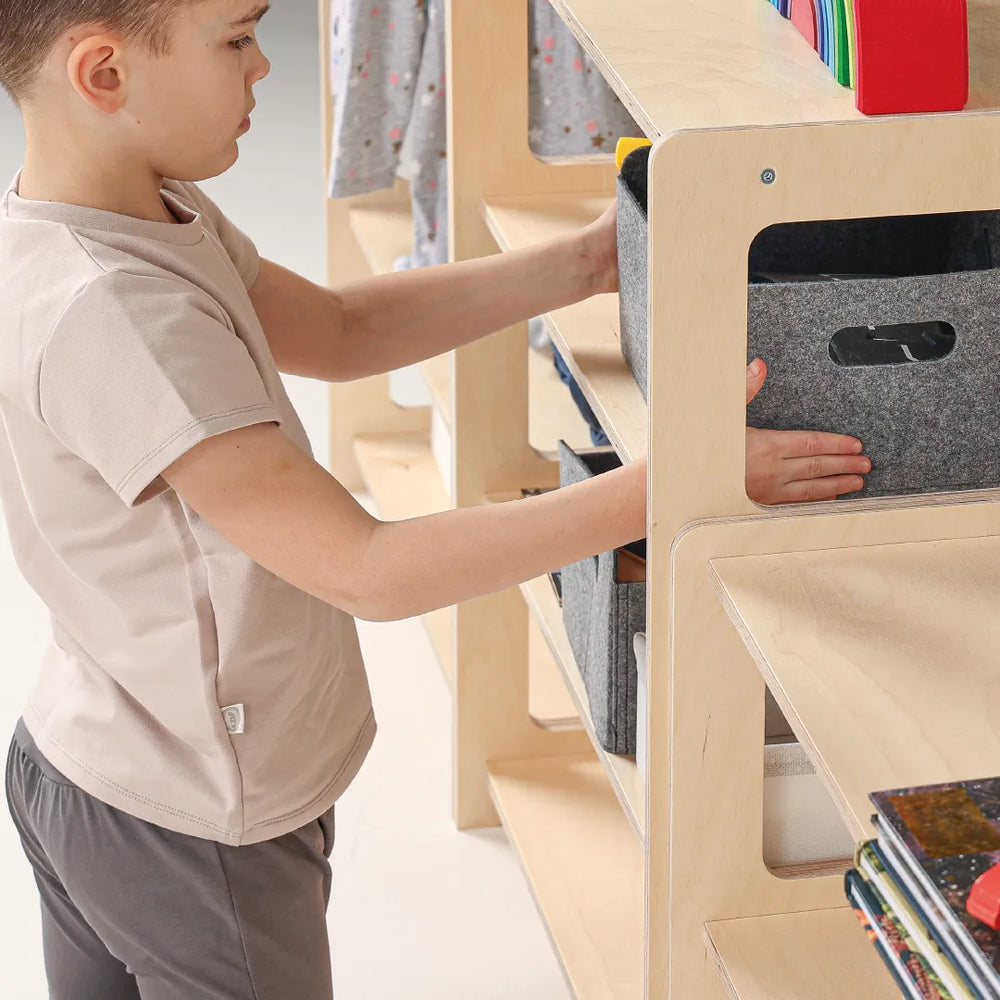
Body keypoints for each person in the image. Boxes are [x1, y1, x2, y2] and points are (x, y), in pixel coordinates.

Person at [0, 2, 872, 998]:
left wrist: (582, 263)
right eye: (237, 40)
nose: (262, 69)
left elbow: (334, 331)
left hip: (93, 759)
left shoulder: (133, 211)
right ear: (104, 75)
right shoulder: (115, 311)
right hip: (193, 829)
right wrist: (674, 485)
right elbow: (368, 569)